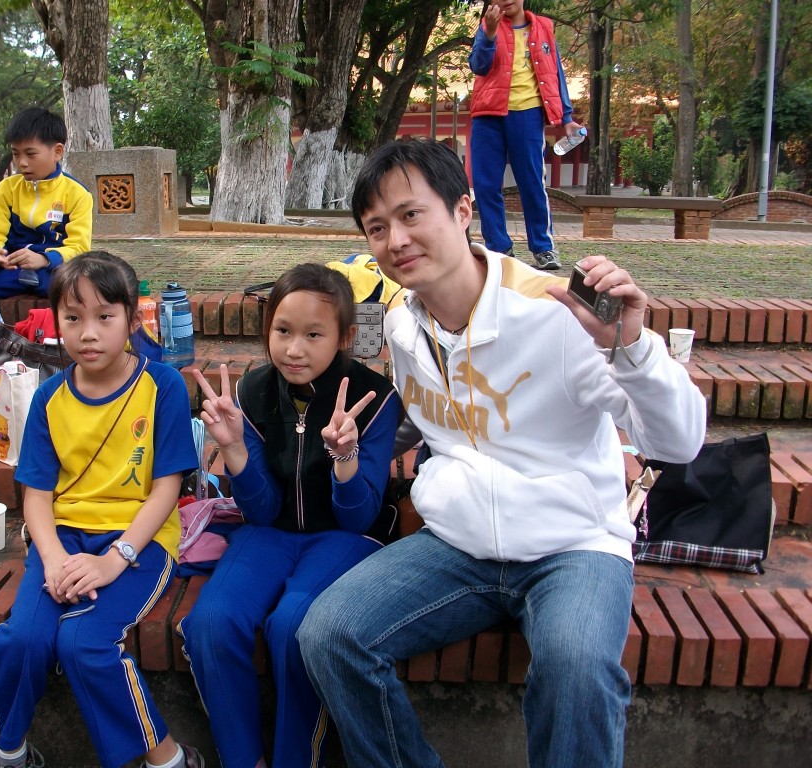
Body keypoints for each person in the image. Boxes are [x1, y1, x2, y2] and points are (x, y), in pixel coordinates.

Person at [297, 139, 706, 767]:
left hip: (572, 545)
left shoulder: (557, 314)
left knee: (576, 665)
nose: (395, 240)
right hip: (459, 546)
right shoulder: (404, 325)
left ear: (463, 210)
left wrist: (631, 348)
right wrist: (346, 447)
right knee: (328, 634)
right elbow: (438, 423)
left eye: (411, 215)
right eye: (376, 228)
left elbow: (677, 442)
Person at [0, 251, 204, 768]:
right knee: (21, 640)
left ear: (132, 320)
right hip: (63, 537)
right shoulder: (49, 398)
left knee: (84, 642)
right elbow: (36, 495)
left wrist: (114, 559)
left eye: (105, 316)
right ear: (56, 322)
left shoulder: (162, 386)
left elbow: (166, 489)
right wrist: (53, 559)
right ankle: (10, 753)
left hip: (140, 539)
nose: (88, 333)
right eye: (73, 317)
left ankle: (168, 759)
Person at [179, 263, 402, 768]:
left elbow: (358, 518)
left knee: (294, 628)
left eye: (313, 335)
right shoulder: (251, 393)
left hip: (345, 539)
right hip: (268, 533)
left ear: (345, 337)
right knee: (211, 622)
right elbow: (260, 509)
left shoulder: (374, 399)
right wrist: (234, 449)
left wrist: (344, 458)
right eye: (282, 331)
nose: (294, 350)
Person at [469, 0, 585, 270]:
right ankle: (499, 248)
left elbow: (555, 72)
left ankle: (543, 247)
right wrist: (490, 33)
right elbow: (478, 66)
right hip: (488, 114)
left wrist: (566, 117)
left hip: (528, 114)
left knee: (532, 182)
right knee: (486, 185)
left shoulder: (543, 27)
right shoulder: (486, 26)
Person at [0, 107, 92, 299]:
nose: (22, 162)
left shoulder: (77, 194)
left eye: (30, 154)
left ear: (57, 152)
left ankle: (34, 281)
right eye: (16, 154)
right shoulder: (7, 188)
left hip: (52, 268)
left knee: (73, 282)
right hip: (12, 266)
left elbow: (79, 248)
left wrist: (44, 259)